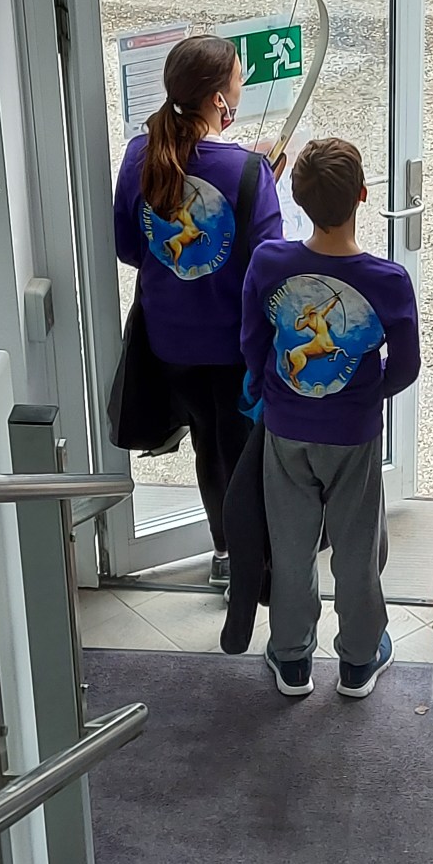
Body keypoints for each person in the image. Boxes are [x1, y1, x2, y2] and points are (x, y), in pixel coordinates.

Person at [240, 138, 420, 698]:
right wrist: (366, 392)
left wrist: (269, 389)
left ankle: (292, 658)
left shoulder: (269, 262)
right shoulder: (388, 280)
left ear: (297, 197)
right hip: (353, 434)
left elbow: (253, 342)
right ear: (363, 196)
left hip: (286, 428)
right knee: (357, 548)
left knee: (291, 546)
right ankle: (359, 660)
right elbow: (406, 366)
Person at [113, 34, 282, 589]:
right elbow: (268, 271)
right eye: (238, 78)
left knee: (208, 445)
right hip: (234, 345)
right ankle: (255, 564)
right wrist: (261, 184)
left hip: (169, 342)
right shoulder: (249, 171)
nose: (242, 85)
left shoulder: (139, 154)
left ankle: (225, 554)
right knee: (243, 451)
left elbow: (130, 248)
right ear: (217, 99)